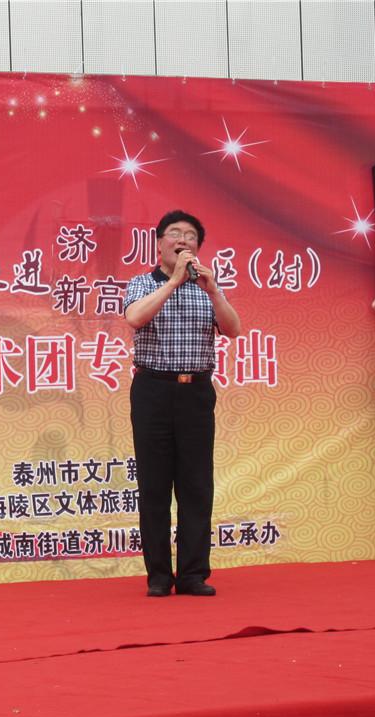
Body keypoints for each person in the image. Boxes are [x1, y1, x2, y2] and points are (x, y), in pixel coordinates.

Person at [124, 210, 241, 597]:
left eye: (191, 235)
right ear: (160, 243)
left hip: (196, 393)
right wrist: (174, 281)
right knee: (154, 486)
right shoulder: (142, 283)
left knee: (196, 486)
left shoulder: (208, 287)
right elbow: (135, 318)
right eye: (174, 233)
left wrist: (214, 291)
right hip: (152, 391)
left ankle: (192, 575)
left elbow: (234, 329)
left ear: (197, 247)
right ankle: (159, 576)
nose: (183, 239)